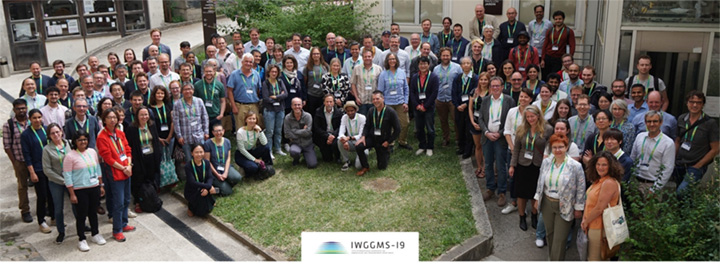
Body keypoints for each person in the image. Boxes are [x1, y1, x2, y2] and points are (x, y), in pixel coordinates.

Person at [533, 133, 585, 261]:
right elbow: (540, 181)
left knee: (560, 239)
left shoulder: (575, 166)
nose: (557, 150)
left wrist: (578, 207)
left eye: (561, 147)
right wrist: (537, 198)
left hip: (565, 205)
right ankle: (553, 259)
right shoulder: (546, 162)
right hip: (547, 203)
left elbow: (581, 188)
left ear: (566, 147)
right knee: (550, 235)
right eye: (554, 147)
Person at [509, 105, 553, 231]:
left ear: (538, 115)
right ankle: (522, 217)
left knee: (535, 193)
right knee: (521, 193)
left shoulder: (547, 129)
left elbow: (549, 148)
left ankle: (534, 215)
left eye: (532, 116)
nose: (530, 119)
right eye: (528, 117)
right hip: (522, 165)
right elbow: (516, 148)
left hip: (538, 165)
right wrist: (512, 165)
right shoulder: (521, 129)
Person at [63, 130, 106, 251]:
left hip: (94, 187)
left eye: (85, 139)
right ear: (75, 142)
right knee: (81, 215)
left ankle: (95, 234)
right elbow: (67, 176)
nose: (83, 142)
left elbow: (97, 168)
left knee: (93, 212)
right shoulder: (70, 156)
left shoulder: (92, 152)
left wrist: (101, 185)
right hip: (80, 189)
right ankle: (81, 239)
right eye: (80, 140)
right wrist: (71, 193)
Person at [96, 108, 135, 242]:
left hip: (126, 171)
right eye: (109, 117)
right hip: (115, 172)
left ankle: (124, 223)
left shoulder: (120, 133)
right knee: (118, 202)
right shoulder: (102, 137)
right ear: (104, 120)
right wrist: (124, 168)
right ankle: (116, 230)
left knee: (127, 200)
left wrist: (129, 165)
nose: (113, 120)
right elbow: (108, 158)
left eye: (115, 117)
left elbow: (128, 149)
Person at [480, 76, 516, 207]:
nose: (495, 88)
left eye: (497, 86)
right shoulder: (484, 101)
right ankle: (490, 188)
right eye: (493, 86)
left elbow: (511, 121)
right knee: (488, 164)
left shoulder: (509, 101)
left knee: (501, 166)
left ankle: (501, 192)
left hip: (501, 139)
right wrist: (486, 132)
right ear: (490, 88)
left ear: (502, 87)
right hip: (487, 138)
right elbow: (481, 119)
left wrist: (499, 133)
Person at [674, 91, 719, 195]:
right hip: (680, 164)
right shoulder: (681, 119)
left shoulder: (710, 123)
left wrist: (698, 165)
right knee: (684, 196)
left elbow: (716, 149)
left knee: (682, 192)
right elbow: (677, 140)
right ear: (687, 103)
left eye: (698, 102)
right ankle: (683, 211)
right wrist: (674, 159)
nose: (695, 105)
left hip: (695, 166)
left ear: (703, 104)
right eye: (692, 102)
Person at [581, 151, 622, 261]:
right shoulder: (599, 180)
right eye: (598, 164)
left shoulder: (609, 183)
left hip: (599, 228)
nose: (600, 167)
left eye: (604, 165)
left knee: (594, 260)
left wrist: (585, 222)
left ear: (611, 166)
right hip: (592, 224)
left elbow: (599, 208)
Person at [21, 109, 54, 233]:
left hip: (50, 167)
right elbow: (27, 155)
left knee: (52, 194)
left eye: (39, 117)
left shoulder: (46, 129)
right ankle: (41, 221)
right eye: (34, 118)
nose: (37, 120)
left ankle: (54, 217)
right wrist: (32, 172)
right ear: (29, 119)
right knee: (42, 196)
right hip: (38, 168)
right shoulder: (26, 135)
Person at [501, 88, 534, 213]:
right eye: (521, 96)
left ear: (530, 99)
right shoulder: (512, 111)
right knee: (513, 177)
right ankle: (514, 202)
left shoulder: (533, 112)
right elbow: (507, 130)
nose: (523, 99)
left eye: (526, 97)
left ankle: (524, 204)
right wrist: (513, 147)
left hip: (528, 152)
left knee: (526, 178)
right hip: (513, 150)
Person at [355, 91, 401, 176]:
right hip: (372, 138)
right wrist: (363, 136)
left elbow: (397, 129)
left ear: (383, 99)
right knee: (359, 146)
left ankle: (386, 153)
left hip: (383, 141)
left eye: (377, 99)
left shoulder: (390, 112)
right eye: (373, 99)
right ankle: (365, 167)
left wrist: (388, 141)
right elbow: (367, 125)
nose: (375, 101)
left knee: (381, 167)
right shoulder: (371, 110)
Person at [125, 107, 161, 213]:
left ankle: (151, 197)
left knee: (151, 177)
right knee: (139, 179)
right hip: (138, 158)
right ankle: (138, 201)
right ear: (137, 116)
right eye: (142, 115)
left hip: (151, 156)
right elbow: (129, 145)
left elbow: (155, 140)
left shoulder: (152, 125)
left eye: (146, 114)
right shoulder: (132, 128)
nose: (144, 117)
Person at [630, 110, 676, 194]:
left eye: (655, 121)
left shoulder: (668, 143)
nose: (652, 124)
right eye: (649, 121)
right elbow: (632, 158)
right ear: (645, 122)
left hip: (653, 185)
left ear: (661, 122)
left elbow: (667, 168)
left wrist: (655, 189)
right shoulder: (639, 137)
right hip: (636, 182)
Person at [4, 99, 33, 223]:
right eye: (18, 109)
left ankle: (45, 207)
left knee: (40, 184)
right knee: (22, 186)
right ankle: (25, 210)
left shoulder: (32, 121)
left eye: (23, 108)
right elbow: (7, 146)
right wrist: (14, 162)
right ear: (14, 110)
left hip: (34, 159)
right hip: (20, 160)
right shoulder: (9, 125)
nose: (21, 111)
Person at [377, 52, 411, 151]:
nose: (392, 61)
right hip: (388, 103)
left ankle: (402, 141)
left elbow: (406, 88)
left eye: (393, 59)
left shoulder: (402, 72)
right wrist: (382, 105)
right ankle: (390, 143)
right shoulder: (383, 74)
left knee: (405, 123)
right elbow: (380, 91)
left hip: (400, 102)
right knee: (388, 125)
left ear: (396, 61)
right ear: (387, 61)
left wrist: (406, 102)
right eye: (390, 59)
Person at [173, 83, 210, 163]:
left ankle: (201, 174)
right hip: (186, 137)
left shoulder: (199, 101)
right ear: (182, 92)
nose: (188, 91)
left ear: (193, 90)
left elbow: (205, 117)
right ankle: (191, 175)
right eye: (185, 89)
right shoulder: (177, 104)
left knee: (200, 158)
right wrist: (179, 136)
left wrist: (206, 132)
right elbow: (176, 122)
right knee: (189, 160)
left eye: (189, 89)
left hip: (199, 136)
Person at [409, 56, 439, 156]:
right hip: (417, 108)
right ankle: (422, 146)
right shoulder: (414, 77)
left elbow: (434, 93)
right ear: (418, 65)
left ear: (428, 65)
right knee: (419, 128)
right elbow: (412, 93)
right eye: (421, 64)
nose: (423, 66)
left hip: (428, 107)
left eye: (425, 64)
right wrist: (417, 105)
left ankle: (430, 147)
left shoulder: (433, 77)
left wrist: (425, 106)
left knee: (430, 128)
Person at [433, 47, 462, 147]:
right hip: (440, 98)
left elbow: (460, 83)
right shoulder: (436, 69)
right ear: (440, 57)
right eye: (443, 55)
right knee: (443, 120)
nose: (445, 57)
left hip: (453, 98)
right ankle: (446, 138)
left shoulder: (457, 68)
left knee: (456, 119)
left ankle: (458, 139)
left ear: (451, 56)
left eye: (447, 55)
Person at [227, 53, 262, 129]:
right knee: (240, 128)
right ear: (242, 62)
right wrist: (233, 106)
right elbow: (229, 91)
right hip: (240, 105)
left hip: (253, 105)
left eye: (250, 62)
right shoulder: (234, 74)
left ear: (253, 63)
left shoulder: (256, 74)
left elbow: (258, 90)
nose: (248, 63)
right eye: (246, 61)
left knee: (254, 128)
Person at [204, 124, 241, 196]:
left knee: (237, 177)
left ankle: (225, 182)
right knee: (227, 192)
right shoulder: (208, 143)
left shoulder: (227, 141)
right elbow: (207, 161)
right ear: (213, 132)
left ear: (223, 131)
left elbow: (228, 158)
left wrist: (226, 172)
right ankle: (214, 188)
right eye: (216, 131)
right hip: (214, 170)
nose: (218, 133)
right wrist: (217, 175)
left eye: (220, 131)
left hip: (225, 167)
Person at [236, 112, 275, 179]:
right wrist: (254, 160)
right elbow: (242, 150)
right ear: (246, 120)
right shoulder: (240, 132)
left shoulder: (256, 130)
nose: (252, 120)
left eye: (254, 119)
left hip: (251, 151)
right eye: (249, 118)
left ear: (256, 120)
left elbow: (264, 143)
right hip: (241, 154)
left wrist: (260, 131)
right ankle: (244, 169)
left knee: (266, 147)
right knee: (253, 168)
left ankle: (267, 166)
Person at [453, 57, 478, 158]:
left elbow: (475, 93)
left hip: (469, 108)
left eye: (468, 63)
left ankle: (468, 150)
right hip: (459, 108)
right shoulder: (458, 78)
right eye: (464, 63)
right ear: (461, 66)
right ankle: (461, 147)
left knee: (468, 129)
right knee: (460, 128)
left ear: (471, 65)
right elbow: (453, 93)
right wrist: (457, 105)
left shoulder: (475, 78)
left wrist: (466, 104)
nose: (466, 65)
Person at [262, 64, 288, 156]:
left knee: (278, 130)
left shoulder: (280, 82)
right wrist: (279, 97)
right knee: (269, 132)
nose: (274, 73)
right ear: (269, 72)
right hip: (269, 110)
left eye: (276, 72)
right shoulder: (265, 83)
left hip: (280, 109)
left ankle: (278, 148)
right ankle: (269, 150)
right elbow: (265, 98)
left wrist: (276, 97)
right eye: (272, 71)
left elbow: (286, 94)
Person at [541, 11, 575, 81]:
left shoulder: (568, 31)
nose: (558, 21)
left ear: (563, 19)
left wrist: (569, 59)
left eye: (560, 19)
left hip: (558, 58)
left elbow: (572, 45)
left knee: (554, 77)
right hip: (548, 56)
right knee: (545, 77)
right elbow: (545, 45)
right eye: (556, 19)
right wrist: (542, 59)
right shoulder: (550, 30)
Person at [185, 144, 217, 217]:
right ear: (192, 153)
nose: (199, 154)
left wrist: (206, 187)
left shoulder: (206, 163)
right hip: (193, 189)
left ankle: (209, 201)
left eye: (201, 152)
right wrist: (208, 186)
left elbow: (210, 177)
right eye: (196, 152)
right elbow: (192, 182)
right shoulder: (188, 166)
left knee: (207, 209)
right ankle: (191, 207)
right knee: (200, 213)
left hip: (204, 187)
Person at [285, 98, 317, 168]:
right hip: (296, 143)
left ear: (302, 105)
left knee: (312, 165)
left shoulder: (308, 116)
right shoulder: (287, 118)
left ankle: (307, 155)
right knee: (293, 152)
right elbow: (287, 134)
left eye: (299, 105)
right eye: (295, 105)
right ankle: (296, 159)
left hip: (307, 144)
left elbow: (308, 132)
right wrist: (303, 131)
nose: (297, 107)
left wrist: (294, 130)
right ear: (291, 106)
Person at [351, 49, 384, 115]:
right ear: (362, 58)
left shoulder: (378, 69)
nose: (367, 58)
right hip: (361, 101)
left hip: (374, 101)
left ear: (372, 57)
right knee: (363, 122)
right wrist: (356, 97)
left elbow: (381, 84)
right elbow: (353, 83)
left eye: (369, 56)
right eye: (365, 57)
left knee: (374, 121)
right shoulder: (356, 68)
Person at [149, 85, 175, 167]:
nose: (160, 95)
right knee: (159, 158)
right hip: (156, 138)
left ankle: (169, 177)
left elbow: (173, 122)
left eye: (162, 93)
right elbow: (150, 125)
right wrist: (158, 138)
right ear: (154, 95)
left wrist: (169, 137)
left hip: (170, 137)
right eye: (158, 93)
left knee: (169, 157)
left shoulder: (169, 105)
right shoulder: (149, 108)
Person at [194, 64, 226, 129]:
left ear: (214, 72)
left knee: (216, 136)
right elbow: (194, 101)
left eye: (210, 71)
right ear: (203, 72)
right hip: (202, 116)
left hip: (215, 116)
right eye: (206, 71)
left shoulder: (219, 85)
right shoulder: (197, 85)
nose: (208, 73)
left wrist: (221, 114)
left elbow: (223, 101)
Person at [337, 101, 367, 171]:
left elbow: (361, 135)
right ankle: (346, 161)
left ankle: (361, 155)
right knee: (339, 141)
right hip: (350, 142)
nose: (350, 113)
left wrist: (349, 138)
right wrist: (344, 140)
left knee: (358, 166)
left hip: (361, 143)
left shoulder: (362, 118)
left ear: (356, 110)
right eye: (348, 111)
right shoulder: (344, 117)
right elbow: (341, 132)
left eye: (352, 111)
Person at [313, 95, 343, 162]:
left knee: (336, 143)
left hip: (335, 134)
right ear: (324, 102)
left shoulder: (339, 112)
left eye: (330, 102)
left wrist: (333, 135)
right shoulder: (318, 112)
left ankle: (337, 156)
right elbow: (317, 127)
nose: (329, 104)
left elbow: (340, 126)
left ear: (334, 103)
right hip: (323, 135)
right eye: (327, 102)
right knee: (327, 159)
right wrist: (327, 136)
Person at [280, 55, 306, 126]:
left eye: (291, 62)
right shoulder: (281, 75)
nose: (289, 64)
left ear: (294, 63)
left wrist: (304, 99)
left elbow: (303, 87)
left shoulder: (299, 74)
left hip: (297, 101)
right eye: (287, 63)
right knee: (286, 121)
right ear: (284, 64)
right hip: (286, 102)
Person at [304, 47, 329, 114]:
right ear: (311, 55)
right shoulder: (307, 67)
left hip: (323, 94)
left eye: (317, 54)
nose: (316, 55)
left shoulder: (325, 66)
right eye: (314, 54)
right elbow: (305, 81)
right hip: (311, 95)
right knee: (312, 113)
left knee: (322, 114)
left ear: (320, 55)